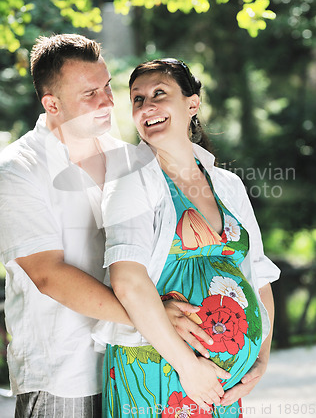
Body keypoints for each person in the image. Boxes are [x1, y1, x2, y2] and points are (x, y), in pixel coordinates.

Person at [0, 37, 212, 418]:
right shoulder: (17, 170)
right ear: (52, 104)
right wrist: (153, 317)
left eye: (106, 87)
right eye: (89, 94)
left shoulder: (134, 160)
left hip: (142, 365)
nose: (107, 102)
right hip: (66, 375)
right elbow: (48, 274)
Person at [94, 58, 280, 417]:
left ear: (191, 104)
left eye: (159, 94)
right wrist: (188, 366)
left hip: (219, 384)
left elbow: (260, 274)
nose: (147, 107)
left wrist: (260, 357)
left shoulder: (228, 185)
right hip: (158, 367)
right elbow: (129, 283)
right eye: (137, 99)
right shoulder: (132, 181)